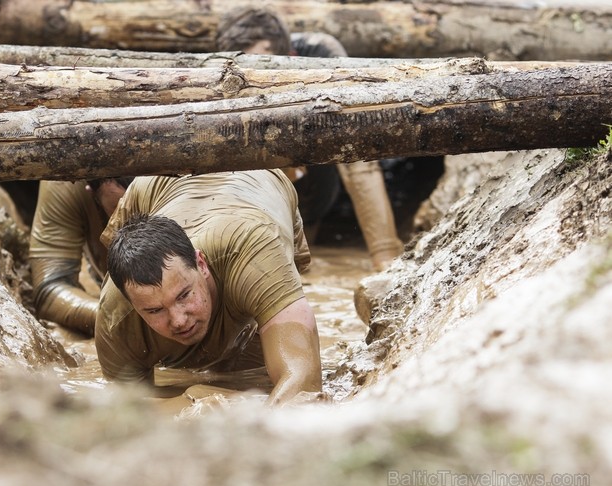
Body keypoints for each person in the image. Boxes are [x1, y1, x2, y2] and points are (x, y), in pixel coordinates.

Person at [95, 169, 322, 405]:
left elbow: (304, 384)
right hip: (152, 182)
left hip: (261, 178)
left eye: (184, 295)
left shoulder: (256, 259)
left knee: (260, 352)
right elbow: (124, 412)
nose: (179, 320)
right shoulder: (115, 314)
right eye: (155, 310)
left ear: (201, 264)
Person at [215, 6, 404, 270]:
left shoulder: (319, 51)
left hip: (320, 179)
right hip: (267, 190)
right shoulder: (224, 72)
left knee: (352, 143)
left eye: (261, 62)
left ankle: (387, 257)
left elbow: (356, 133)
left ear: (285, 52)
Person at [29, 176, 133, 336]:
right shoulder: (67, 177)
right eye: (121, 210)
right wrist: (119, 320)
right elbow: (50, 287)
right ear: (93, 194)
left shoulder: (180, 178)